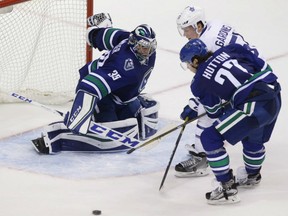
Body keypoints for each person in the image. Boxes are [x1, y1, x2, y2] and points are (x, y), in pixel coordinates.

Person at [31, 13, 159, 154]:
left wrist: (94, 34)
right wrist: (78, 116)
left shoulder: (127, 38)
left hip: (121, 93)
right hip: (102, 92)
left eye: (150, 46)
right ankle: (61, 135)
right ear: (134, 43)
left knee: (134, 115)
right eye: (143, 47)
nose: (148, 51)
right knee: (110, 123)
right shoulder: (122, 66)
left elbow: (109, 36)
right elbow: (89, 85)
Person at [179, 38, 281, 204]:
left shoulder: (198, 82)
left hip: (253, 104)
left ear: (195, 61)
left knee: (209, 138)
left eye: (188, 64)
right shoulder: (230, 49)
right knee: (252, 135)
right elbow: (261, 65)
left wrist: (228, 102)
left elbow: (214, 112)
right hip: (273, 93)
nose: (189, 68)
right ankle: (252, 175)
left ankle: (227, 189)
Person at [174, 5, 265, 177]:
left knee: (207, 111)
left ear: (198, 26)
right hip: (255, 70)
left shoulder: (207, 44)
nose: (185, 34)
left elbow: (208, 85)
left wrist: (195, 104)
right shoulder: (216, 24)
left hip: (247, 81)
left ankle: (202, 158)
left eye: (187, 29)